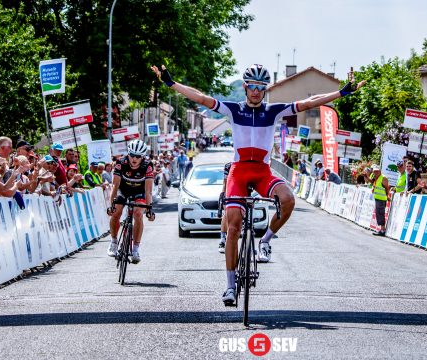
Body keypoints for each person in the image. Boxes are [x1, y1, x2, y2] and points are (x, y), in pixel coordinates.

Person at [153, 63, 365, 305]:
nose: (256, 91)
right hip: (239, 171)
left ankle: (265, 241)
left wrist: (342, 92)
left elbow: (309, 102)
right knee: (233, 227)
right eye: (252, 87)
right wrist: (171, 83)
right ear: (245, 87)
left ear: (265, 90)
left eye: (260, 87)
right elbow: (201, 98)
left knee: (288, 200)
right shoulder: (233, 109)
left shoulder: (273, 111)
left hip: (263, 171)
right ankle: (230, 286)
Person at [106, 140, 154, 264]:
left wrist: (149, 209)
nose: (134, 158)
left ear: (143, 157)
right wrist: (111, 205)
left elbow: (148, 190)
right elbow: (115, 186)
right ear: (128, 153)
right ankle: (114, 242)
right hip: (123, 190)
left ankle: (135, 250)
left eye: (138, 156)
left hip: (139, 191)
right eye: (132, 155)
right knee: (117, 211)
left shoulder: (147, 166)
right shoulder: (120, 163)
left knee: (138, 214)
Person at [364, 165, 390, 235]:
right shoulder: (376, 178)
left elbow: (387, 188)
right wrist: (366, 176)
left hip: (382, 199)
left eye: (376, 171)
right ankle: (381, 229)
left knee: (380, 214)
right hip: (378, 198)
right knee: (378, 214)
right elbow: (372, 182)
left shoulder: (383, 178)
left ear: (380, 171)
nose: (375, 173)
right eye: (374, 171)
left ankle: (382, 230)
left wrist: (387, 196)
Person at [218, 162, 232, 253]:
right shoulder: (229, 166)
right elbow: (225, 183)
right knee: (226, 213)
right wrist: (223, 196)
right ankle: (222, 240)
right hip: (230, 190)